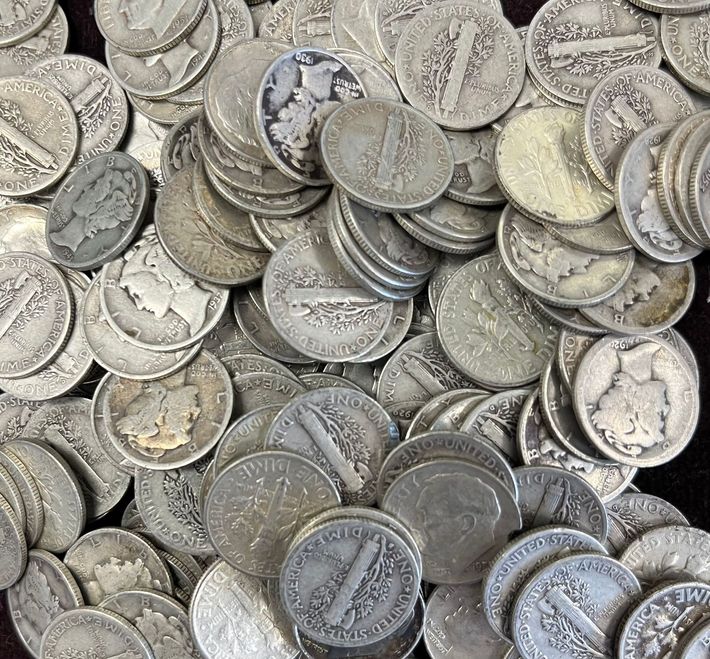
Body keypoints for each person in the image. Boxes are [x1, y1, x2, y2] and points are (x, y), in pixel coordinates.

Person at [118, 236, 212, 336]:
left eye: (137, 295)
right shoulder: (195, 329)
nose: (139, 306)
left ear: (161, 278)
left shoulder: (197, 327)